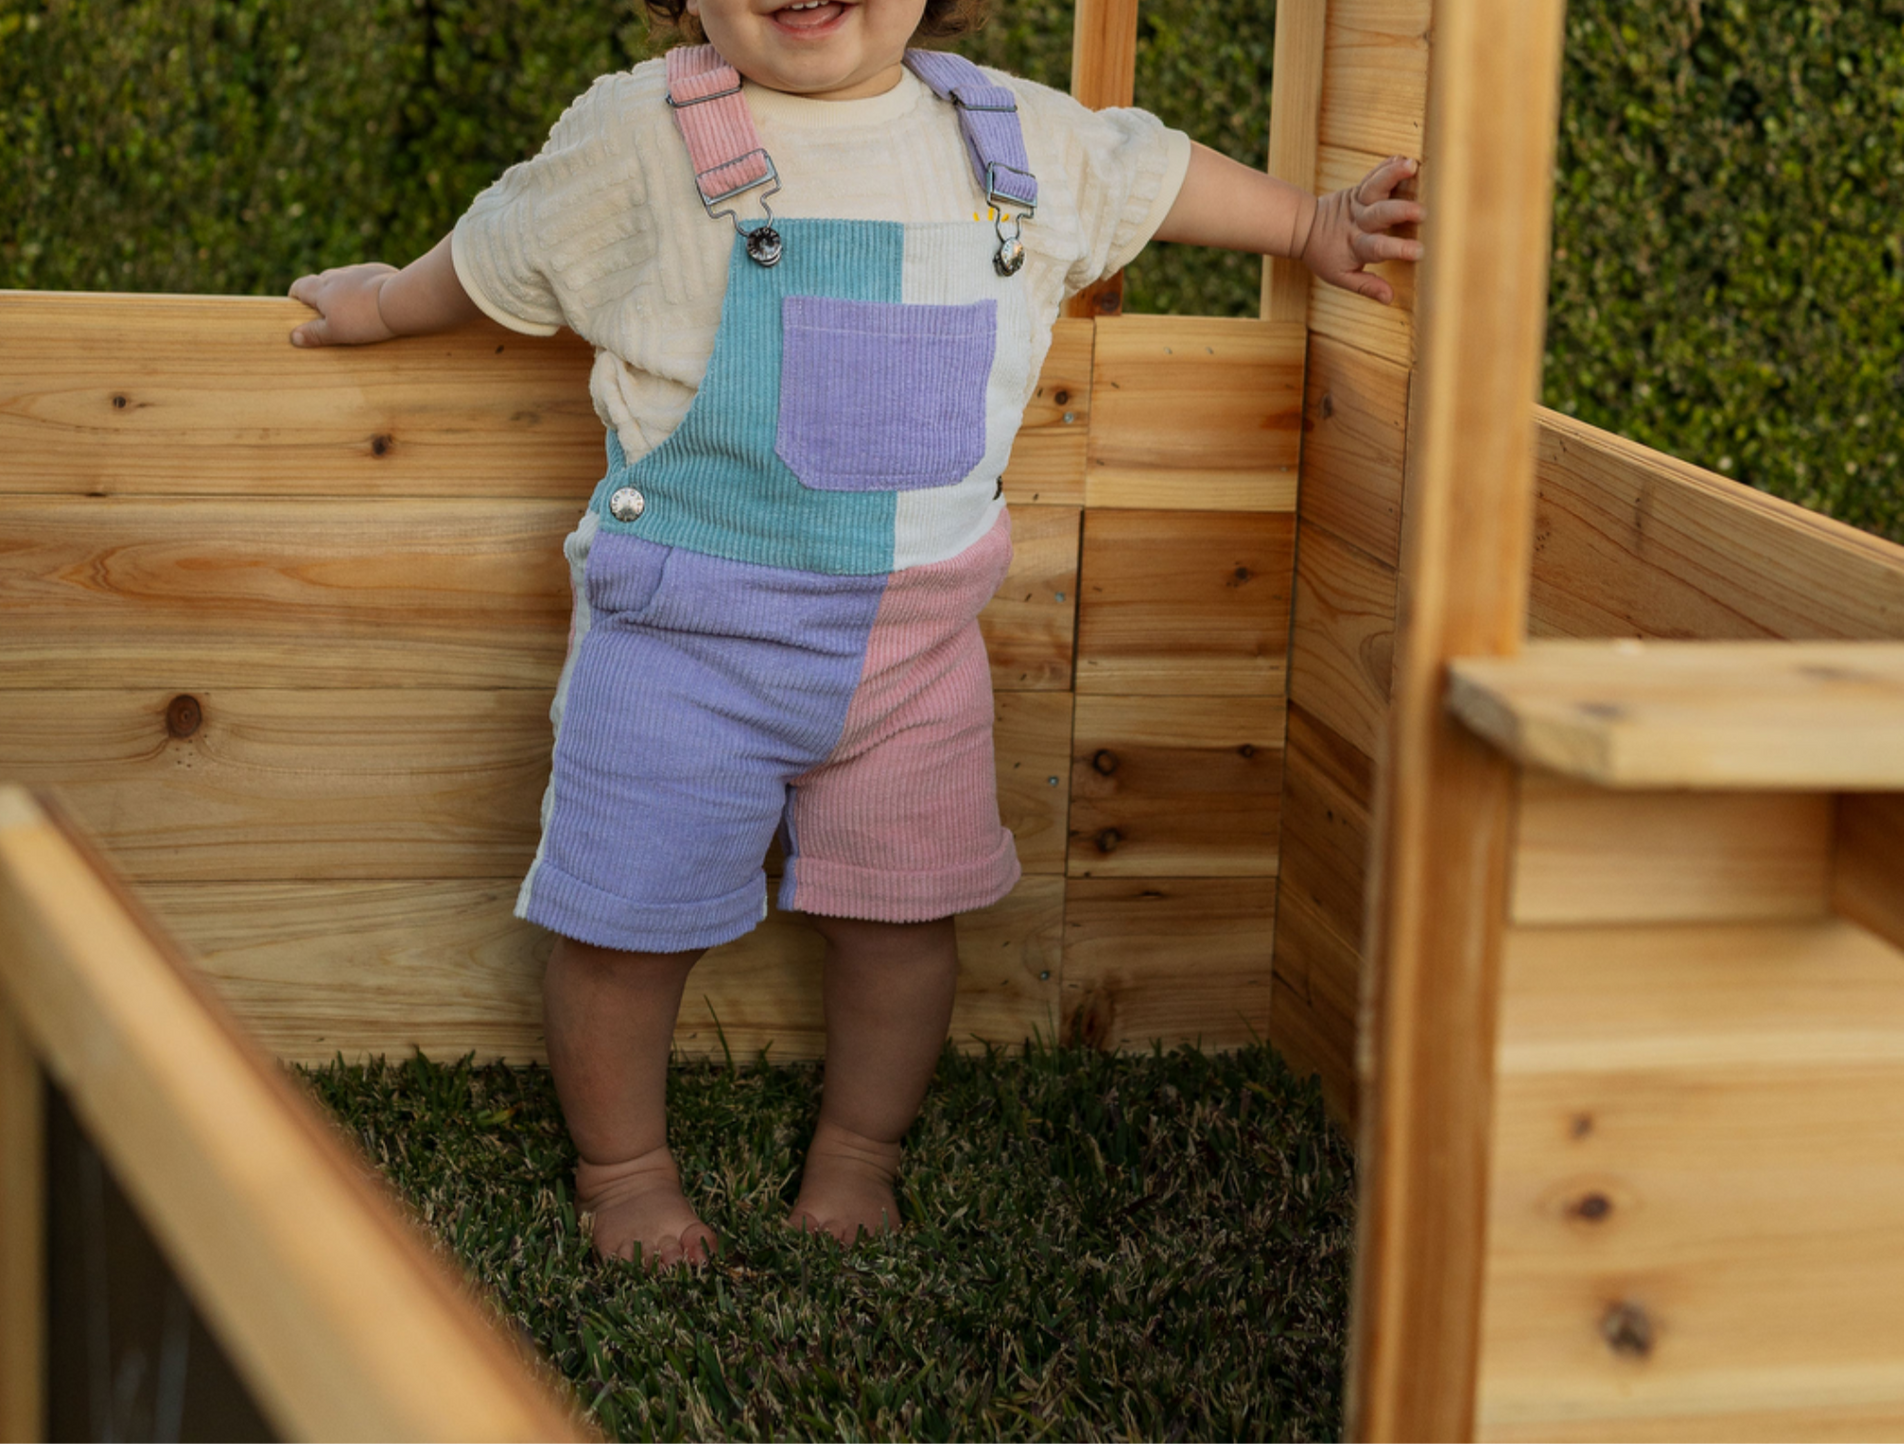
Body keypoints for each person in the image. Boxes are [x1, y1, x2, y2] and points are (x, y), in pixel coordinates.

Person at [287, 0, 1421, 1270]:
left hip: (915, 658)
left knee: (903, 926)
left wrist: (1312, 226)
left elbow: (1146, 172)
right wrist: (382, 304)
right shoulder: (642, 133)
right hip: (684, 646)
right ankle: (623, 1169)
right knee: (620, 927)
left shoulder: (1007, 135)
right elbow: (500, 245)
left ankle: (857, 1153)